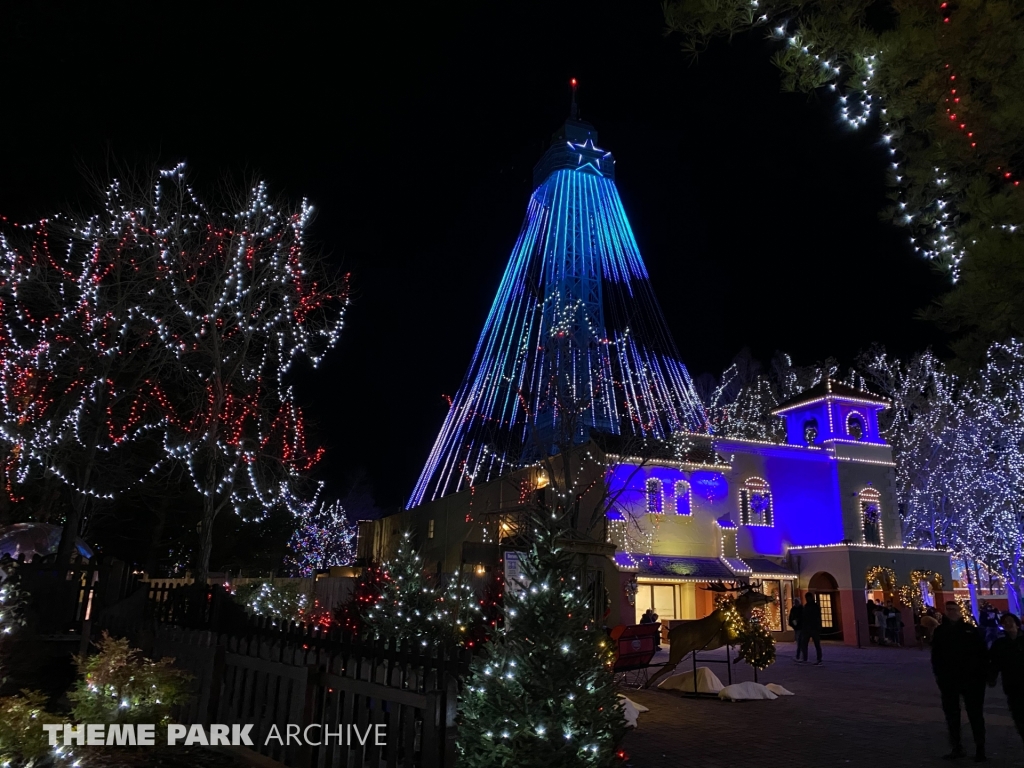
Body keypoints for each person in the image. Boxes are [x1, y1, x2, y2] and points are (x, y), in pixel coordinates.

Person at [932, 600, 988, 761]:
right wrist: (939, 676)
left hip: (971, 680)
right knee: (952, 716)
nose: (951, 612)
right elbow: (936, 656)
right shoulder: (941, 631)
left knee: (975, 715)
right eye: (948, 609)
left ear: (959, 611)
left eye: (954, 609)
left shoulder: (969, 630)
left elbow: (982, 654)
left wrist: (981, 676)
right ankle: (956, 747)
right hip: (949, 680)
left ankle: (980, 749)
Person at [989, 612, 1024, 753]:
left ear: (1016, 623)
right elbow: (994, 663)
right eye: (1005, 622)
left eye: (1010, 621)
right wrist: (991, 678)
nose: (1008, 624)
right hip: (1012, 686)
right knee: (1019, 719)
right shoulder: (1000, 644)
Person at [798, 591, 823, 665]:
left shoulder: (813, 606)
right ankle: (805, 658)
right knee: (804, 643)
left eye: (808, 598)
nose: (807, 599)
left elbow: (817, 617)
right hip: (808, 627)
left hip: (813, 627)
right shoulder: (807, 606)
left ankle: (819, 659)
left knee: (816, 644)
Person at [789, 595, 804, 660]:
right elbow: (791, 617)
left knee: (801, 642)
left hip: (801, 627)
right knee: (798, 642)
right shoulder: (793, 609)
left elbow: (803, 617)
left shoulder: (802, 609)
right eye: (795, 602)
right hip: (796, 628)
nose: (795, 603)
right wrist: (792, 623)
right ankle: (799, 655)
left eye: (796, 602)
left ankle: (802, 655)